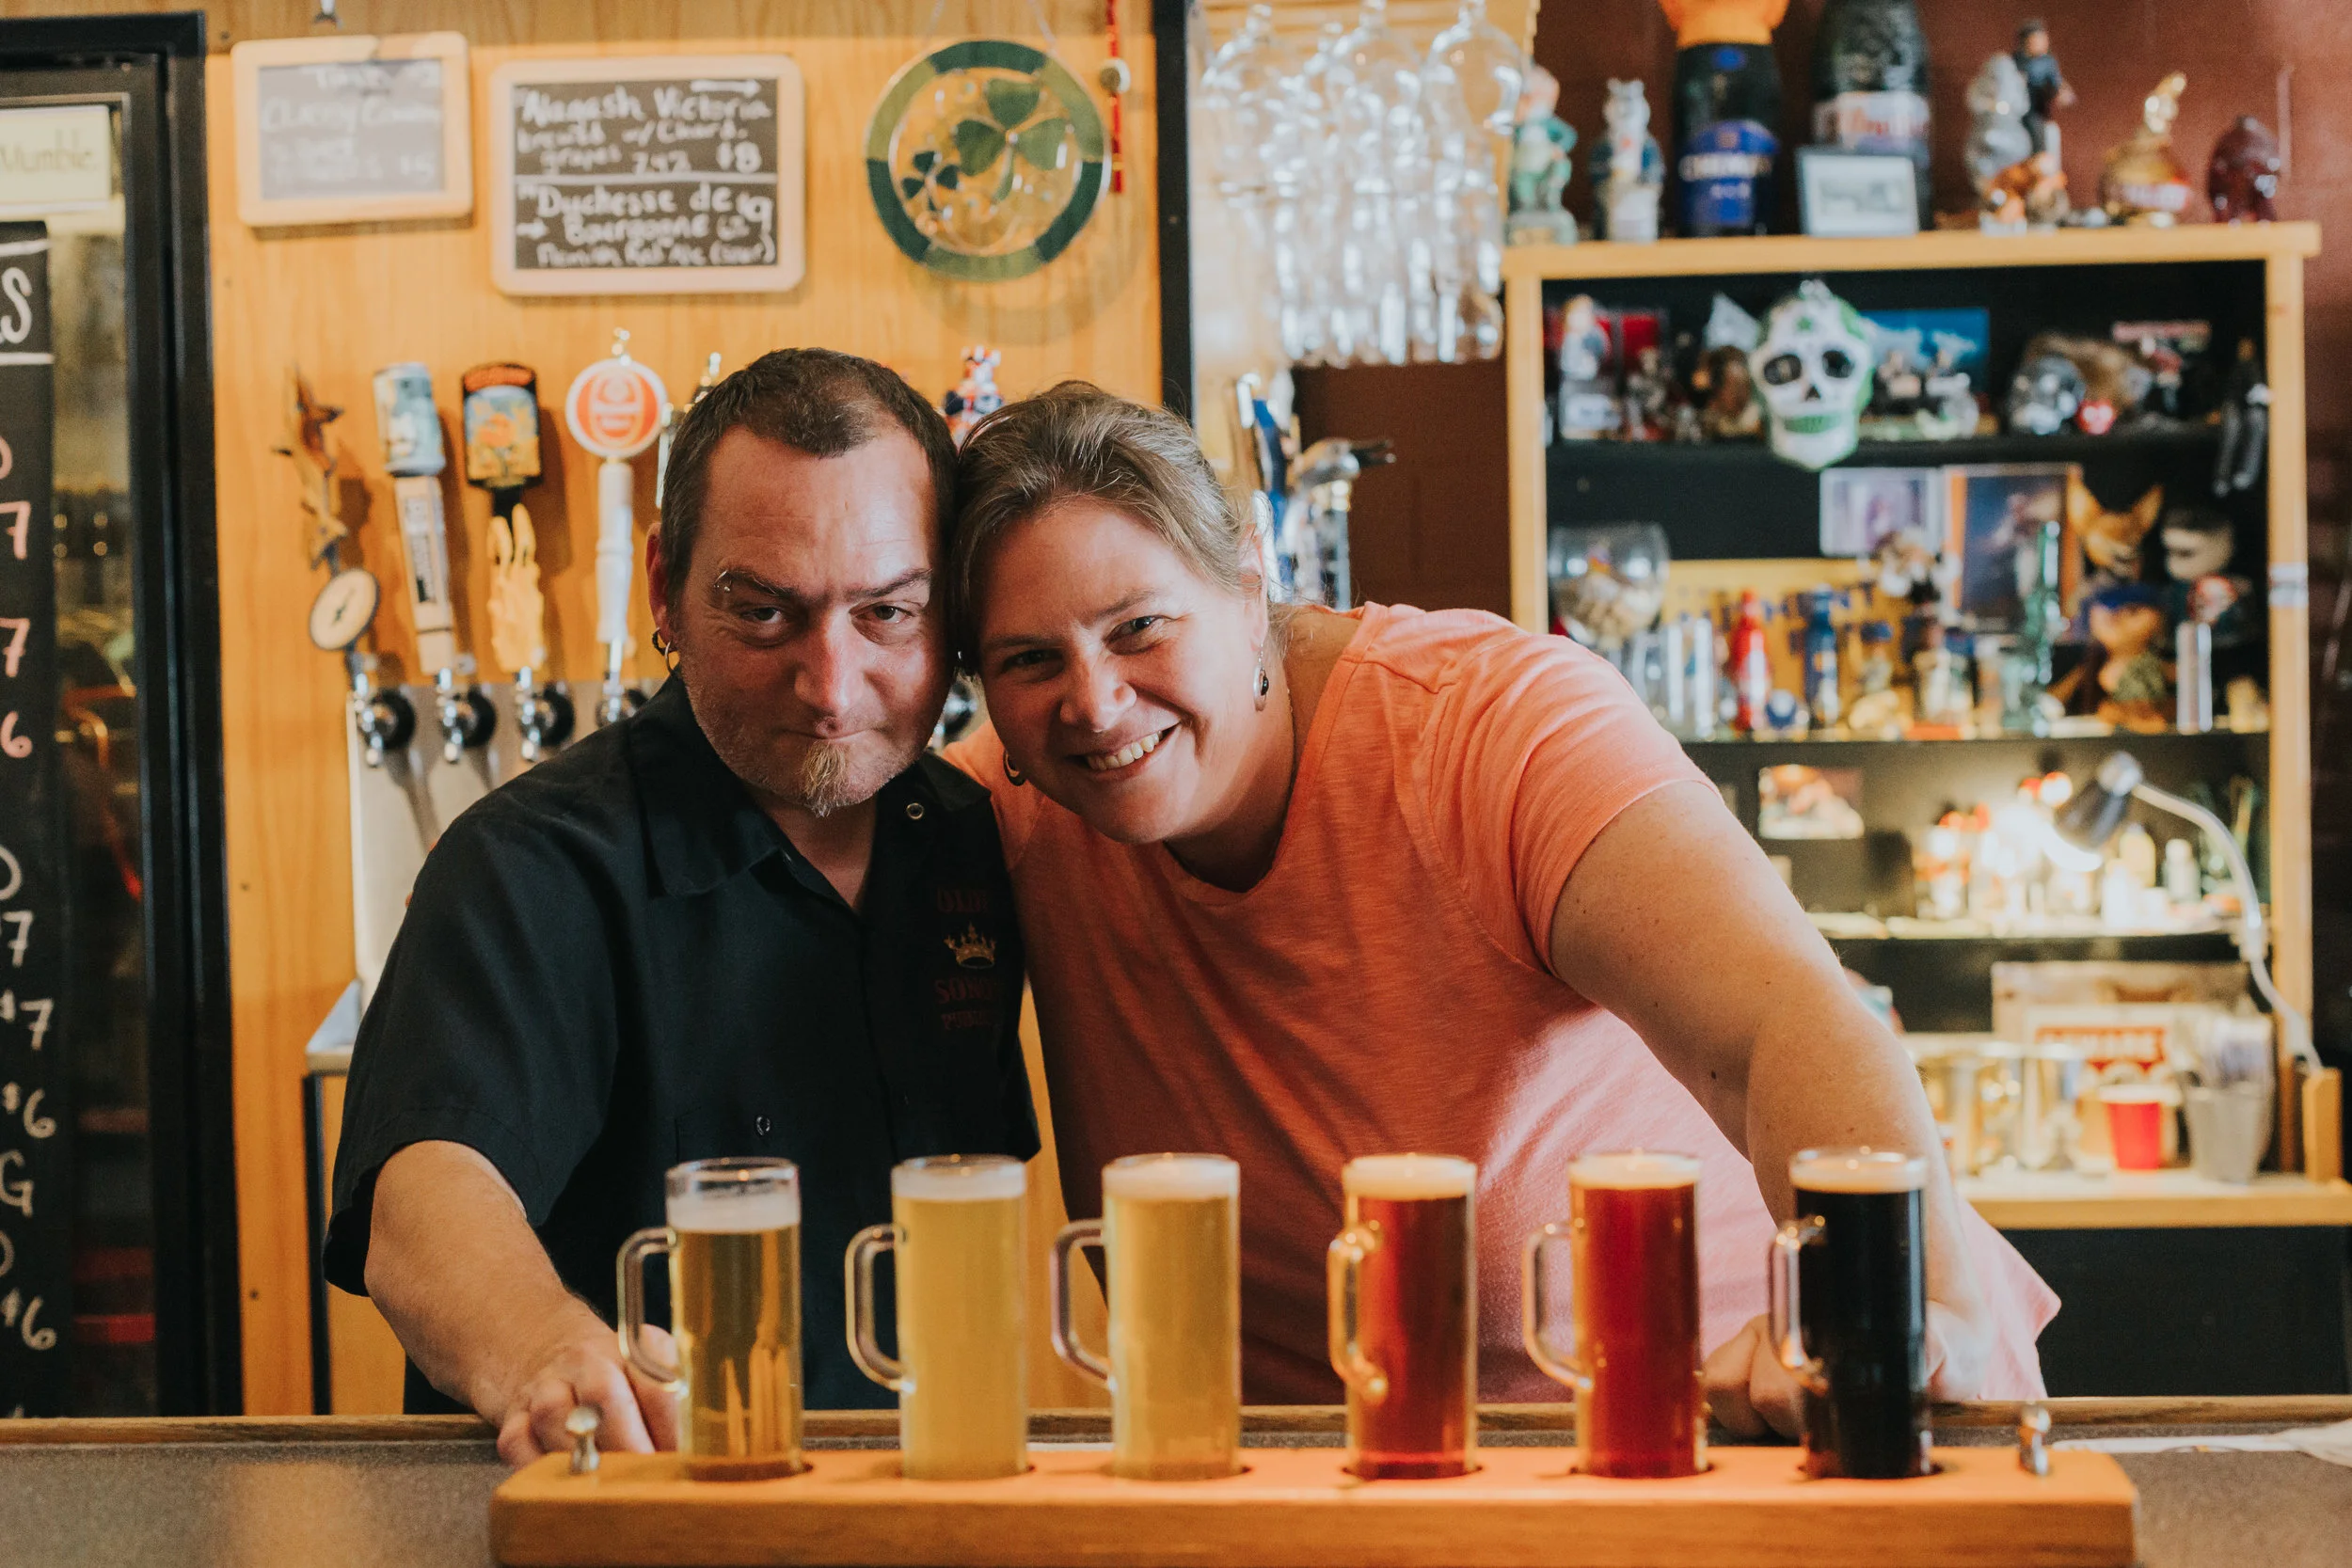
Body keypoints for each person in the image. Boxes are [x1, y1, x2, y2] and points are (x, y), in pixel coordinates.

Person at [942, 383, 2056, 1431]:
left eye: (1139, 627)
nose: (1095, 703)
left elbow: (1780, 1025)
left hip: (1750, 1415)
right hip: (1350, 1478)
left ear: (1246, 580)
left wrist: (1897, 1305)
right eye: (1030, 658)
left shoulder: (1487, 725)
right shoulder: (1006, 808)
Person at [326, 350, 1037, 1465]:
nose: (831, 684)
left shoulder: (968, 839)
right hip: (632, 1502)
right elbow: (423, 1200)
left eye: (888, 612)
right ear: (664, 585)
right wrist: (542, 1345)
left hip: (918, 1498)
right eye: (764, 613)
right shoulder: (530, 866)